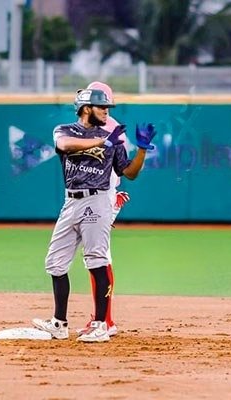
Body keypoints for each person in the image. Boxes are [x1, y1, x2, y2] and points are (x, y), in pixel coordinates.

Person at [32, 87, 157, 342]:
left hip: (97, 200)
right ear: (87, 108)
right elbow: (64, 145)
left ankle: (101, 324)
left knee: (96, 259)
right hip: (70, 201)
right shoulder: (65, 130)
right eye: (102, 107)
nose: (106, 111)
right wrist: (103, 142)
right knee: (55, 262)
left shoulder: (112, 138)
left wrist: (142, 150)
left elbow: (128, 173)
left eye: (107, 107)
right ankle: (59, 323)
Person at [77, 81, 130, 337]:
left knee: (99, 258)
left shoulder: (107, 127)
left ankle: (106, 321)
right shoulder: (107, 125)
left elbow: (113, 167)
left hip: (100, 196)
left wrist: (111, 201)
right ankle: (103, 319)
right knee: (96, 258)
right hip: (103, 195)